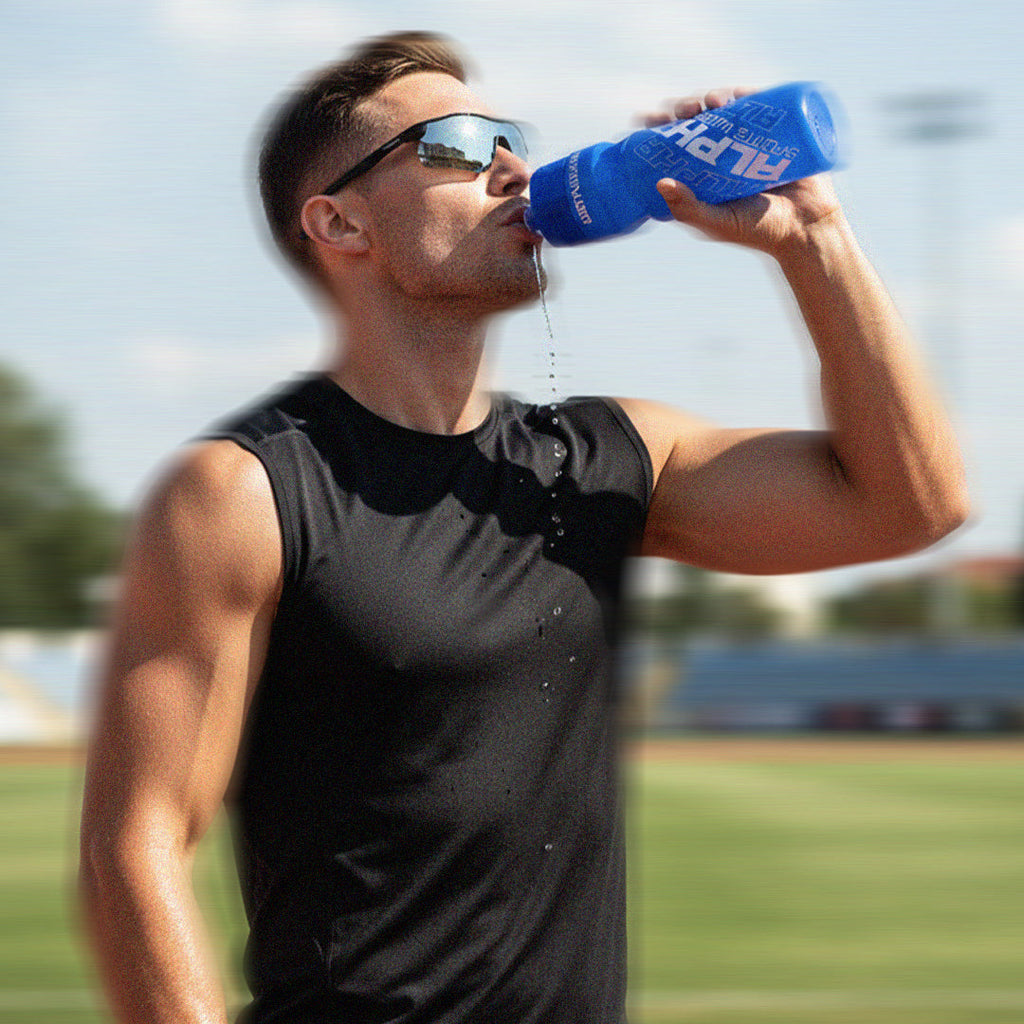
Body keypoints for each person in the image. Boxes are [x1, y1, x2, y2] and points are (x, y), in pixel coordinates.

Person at [78, 30, 968, 1024]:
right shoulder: (243, 493)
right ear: (340, 224)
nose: (511, 167)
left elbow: (910, 503)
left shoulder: (605, 459)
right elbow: (135, 846)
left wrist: (814, 240)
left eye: (509, 138)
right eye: (457, 145)